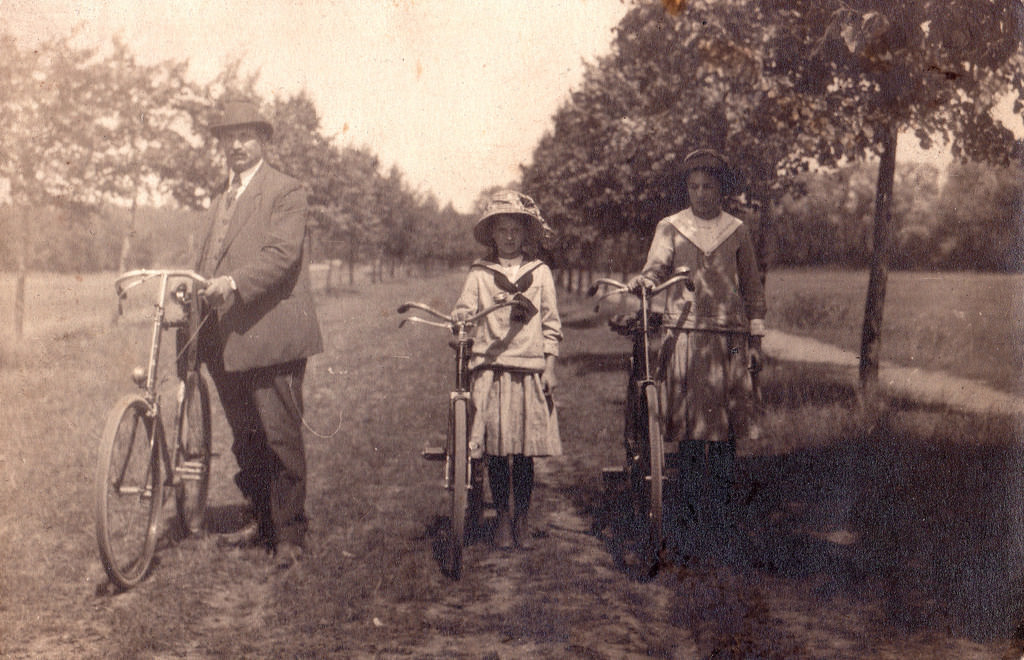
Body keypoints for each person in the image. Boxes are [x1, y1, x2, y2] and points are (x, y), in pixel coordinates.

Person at [194, 99, 323, 568]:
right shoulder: (218, 201)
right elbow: (206, 262)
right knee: (245, 435)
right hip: (225, 338)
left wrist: (233, 283)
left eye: (246, 136)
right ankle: (262, 520)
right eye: (229, 138)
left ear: (263, 140)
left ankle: (290, 535)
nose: (236, 145)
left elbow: (282, 255)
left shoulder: (286, 191)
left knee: (279, 435)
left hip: (272, 335)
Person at [628, 148, 766, 561]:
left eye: (708, 186)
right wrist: (645, 281)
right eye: (693, 186)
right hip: (685, 332)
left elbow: (753, 291)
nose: (701, 194)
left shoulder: (737, 230)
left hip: (729, 339)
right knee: (689, 437)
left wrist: (754, 343)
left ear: (721, 188)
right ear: (686, 188)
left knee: (724, 439)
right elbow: (655, 270)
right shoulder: (671, 227)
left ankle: (720, 528)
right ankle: (686, 530)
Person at [452, 190, 562, 550]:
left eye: (516, 230)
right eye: (502, 230)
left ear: (525, 234)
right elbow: (464, 310)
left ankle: (522, 517)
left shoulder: (540, 273)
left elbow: (550, 324)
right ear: (493, 235)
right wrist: (461, 318)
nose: (510, 237)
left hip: (528, 368)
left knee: (524, 450)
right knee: (498, 449)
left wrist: (550, 365)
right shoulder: (481, 274)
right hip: (493, 367)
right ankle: (500, 516)